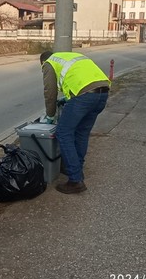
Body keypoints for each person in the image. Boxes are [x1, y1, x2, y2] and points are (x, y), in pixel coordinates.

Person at [39, 51, 110, 194]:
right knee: (81, 133)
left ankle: (75, 179)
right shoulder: (68, 57)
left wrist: (50, 115)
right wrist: (68, 98)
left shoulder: (49, 63)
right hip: (102, 93)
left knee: (63, 133)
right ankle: (77, 169)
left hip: (84, 97)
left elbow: (50, 92)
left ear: (43, 62)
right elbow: (79, 80)